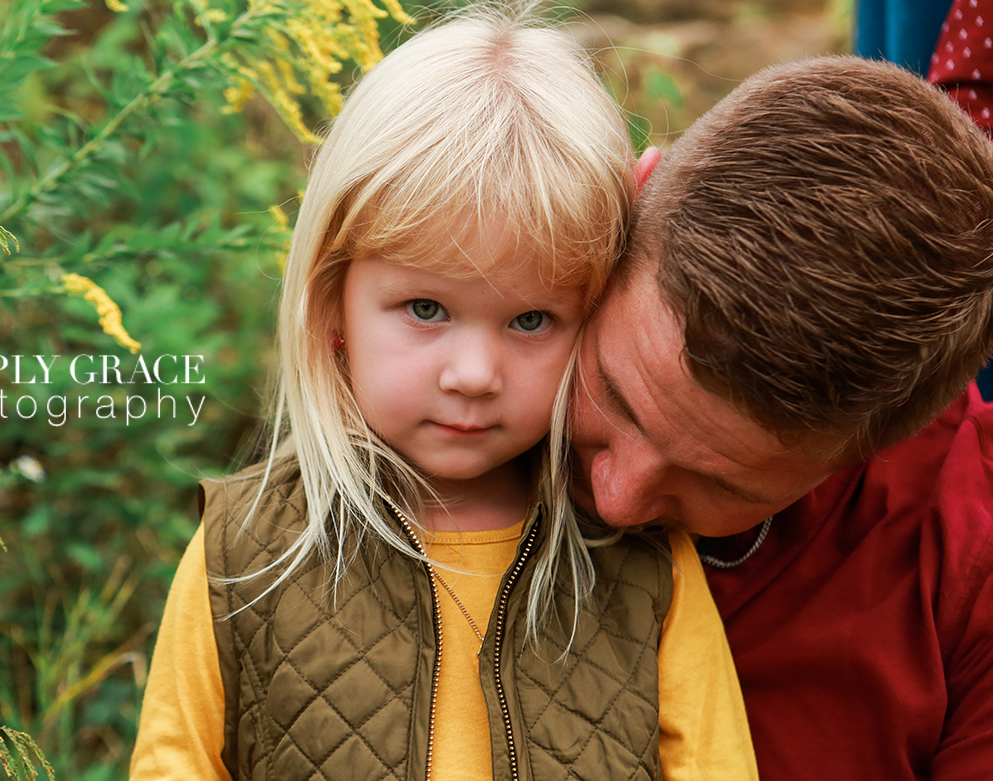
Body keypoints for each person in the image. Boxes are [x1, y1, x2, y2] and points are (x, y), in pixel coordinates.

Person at [131, 10, 757, 781]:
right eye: (426, 309)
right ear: (334, 303)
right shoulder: (249, 547)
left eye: (532, 319)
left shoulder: (639, 562)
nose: (473, 373)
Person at [570, 56, 993, 780]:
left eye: (723, 486)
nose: (617, 494)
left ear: (875, 448)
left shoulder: (967, 564)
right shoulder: (446, 356)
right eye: (615, 393)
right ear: (633, 197)